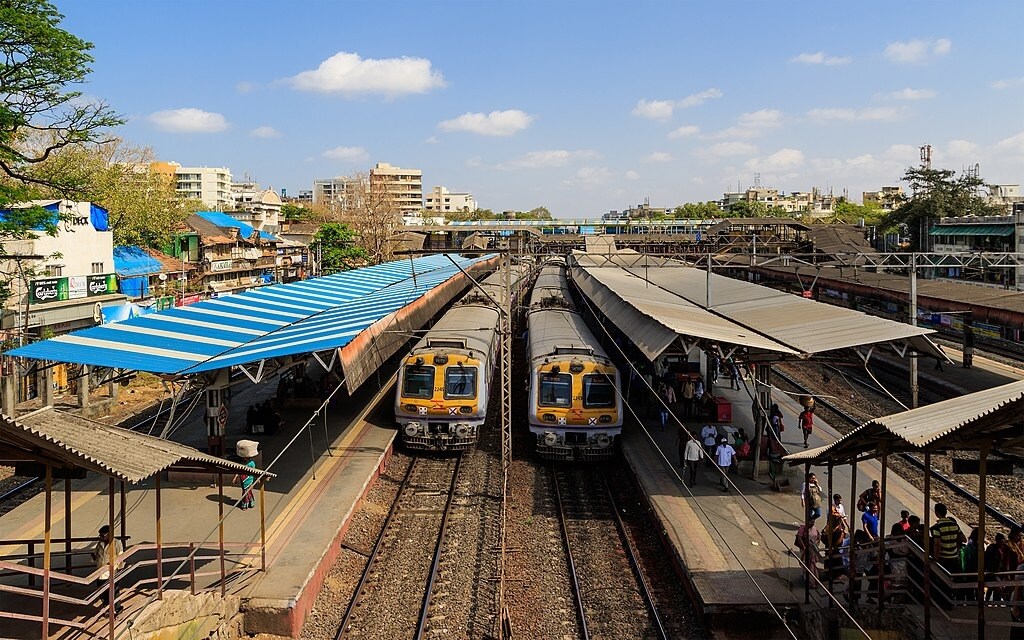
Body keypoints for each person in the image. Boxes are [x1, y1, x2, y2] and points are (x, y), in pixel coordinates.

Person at [92, 525, 124, 614]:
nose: (101, 537)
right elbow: (96, 554)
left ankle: (117, 608)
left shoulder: (117, 543)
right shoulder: (100, 543)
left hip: (112, 571)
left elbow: (121, 556)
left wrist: (119, 569)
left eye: (103, 535)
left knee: (113, 591)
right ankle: (106, 607)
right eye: (100, 535)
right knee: (101, 591)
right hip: (100, 571)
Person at [795, 520, 822, 587]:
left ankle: (812, 582)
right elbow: (799, 538)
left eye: (813, 522)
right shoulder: (802, 528)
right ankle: (810, 580)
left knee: (812, 566)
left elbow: (819, 537)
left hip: (812, 550)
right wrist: (804, 547)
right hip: (805, 550)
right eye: (810, 522)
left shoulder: (814, 529)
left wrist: (815, 544)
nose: (812, 523)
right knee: (806, 564)